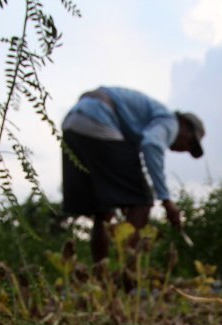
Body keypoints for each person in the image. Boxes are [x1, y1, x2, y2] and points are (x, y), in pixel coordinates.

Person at [60, 86, 205, 263]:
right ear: (185, 126)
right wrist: (166, 201)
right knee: (141, 200)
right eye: (190, 143)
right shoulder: (169, 121)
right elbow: (151, 144)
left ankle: (101, 276)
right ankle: (127, 274)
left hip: (73, 123)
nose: (184, 149)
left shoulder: (146, 119)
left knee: (102, 210)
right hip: (100, 120)